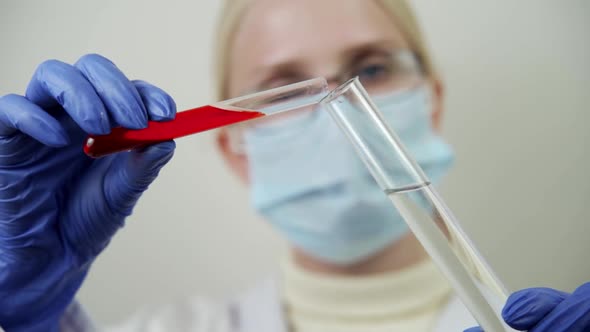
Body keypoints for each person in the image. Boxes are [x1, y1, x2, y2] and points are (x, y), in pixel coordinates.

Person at [0, 0, 588, 331]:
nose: (336, 104)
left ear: (431, 100)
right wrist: (29, 315)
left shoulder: (537, 321)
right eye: (284, 89)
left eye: (373, 70)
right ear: (236, 148)